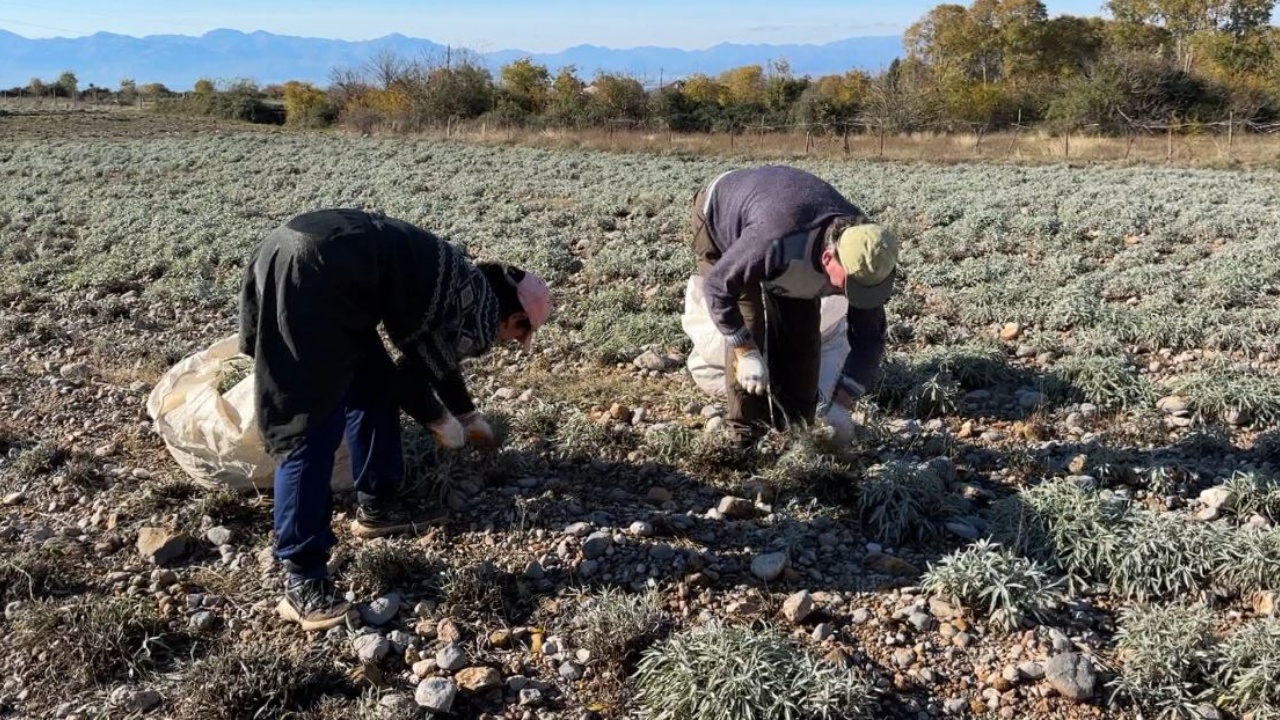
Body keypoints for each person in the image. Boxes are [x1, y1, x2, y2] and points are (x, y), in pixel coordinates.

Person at [237, 208, 553, 631]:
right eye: (519, 336)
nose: (511, 343)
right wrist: (444, 425)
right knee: (310, 426)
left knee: (370, 386)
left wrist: (466, 412)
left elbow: (431, 362)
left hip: (300, 249)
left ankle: (378, 505)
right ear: (514, 318)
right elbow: (412, 383)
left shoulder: (466, 282)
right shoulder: (479, 314)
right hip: (321, 273)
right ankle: (302, 578)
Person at [689, 164, 900, 448]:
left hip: (784, 229)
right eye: (847, 285)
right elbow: (718, 286)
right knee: (749, 322)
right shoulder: (778, 240)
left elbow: (869, 339)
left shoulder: (866, 254)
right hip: (721, 218)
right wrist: (745, 349)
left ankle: (798, 434)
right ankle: (747, 439)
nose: (852, 294)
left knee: (801, 336)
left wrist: (842, 403)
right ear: (828, 258)